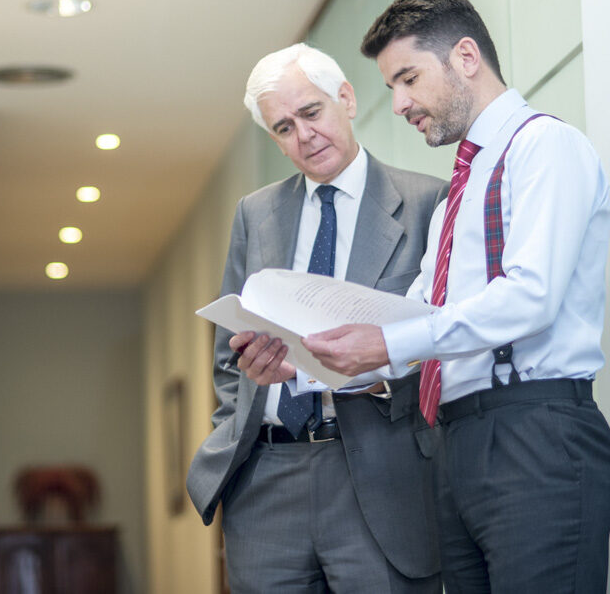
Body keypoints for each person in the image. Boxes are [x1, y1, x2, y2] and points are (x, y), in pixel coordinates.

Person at [301, 0, 610, 593]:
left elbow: (532, 296)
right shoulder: (457, 195)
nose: (397, 103)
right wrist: (308, 361)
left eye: (407, 78)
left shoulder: (545, 147)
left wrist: (390, 344)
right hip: (457, 443)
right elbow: (413, 315)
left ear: (466, 58)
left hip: (538, 435)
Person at [186, 43, 448, 594]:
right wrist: (251, 377)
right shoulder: (255, 214)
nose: (303, 136)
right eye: (283, 128)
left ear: (346, 99)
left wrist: (374, 370)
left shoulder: (429, 204)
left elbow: (447, 347)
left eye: (311, 113)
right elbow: (226, 361)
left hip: (381, 477)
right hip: (266, 482)